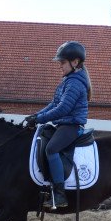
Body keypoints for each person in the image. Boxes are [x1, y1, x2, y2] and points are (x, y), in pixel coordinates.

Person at [25, 41, 92, 208]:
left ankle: (60, 194)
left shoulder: (75, 83)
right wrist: (36, 115)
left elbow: (63, 108)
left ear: (75, 62)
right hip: (63, 124)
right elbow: (54, 104)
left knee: (51, 149)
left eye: (62, 62)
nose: (60, 66)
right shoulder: (67, 81)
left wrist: (40, 119)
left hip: (72, 126)